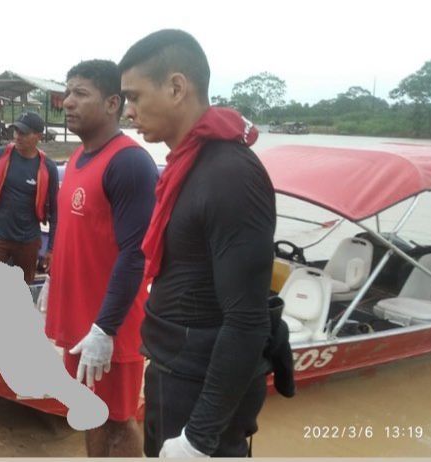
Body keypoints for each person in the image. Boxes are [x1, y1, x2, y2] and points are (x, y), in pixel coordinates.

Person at [118, 29, 275, 457]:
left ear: (175, 87)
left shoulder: (231, 176)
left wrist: (199, 438)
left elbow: (247, 321)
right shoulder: (186, 167)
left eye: (134, 97)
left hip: (203, 392)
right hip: (174, 372)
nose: (128, 111)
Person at [44, 59, 159, 457]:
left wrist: (105, 329)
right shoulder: (76, 159)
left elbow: (136, 252)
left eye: (81, 93)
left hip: (109, 328)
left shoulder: (128, 162)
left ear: (113, 103)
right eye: (67, 91)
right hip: (79, 321)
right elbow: (72, 233)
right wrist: (52, 280)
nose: (67, 102)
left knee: (117, 422)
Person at [0, 111, 58, 284]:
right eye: (16, 131)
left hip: (28, 242)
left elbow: (55, 212)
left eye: (24, 133)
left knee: (22, 291)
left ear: (38, 136)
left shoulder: (48, 167)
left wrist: (51, 249)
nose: (18, 136)